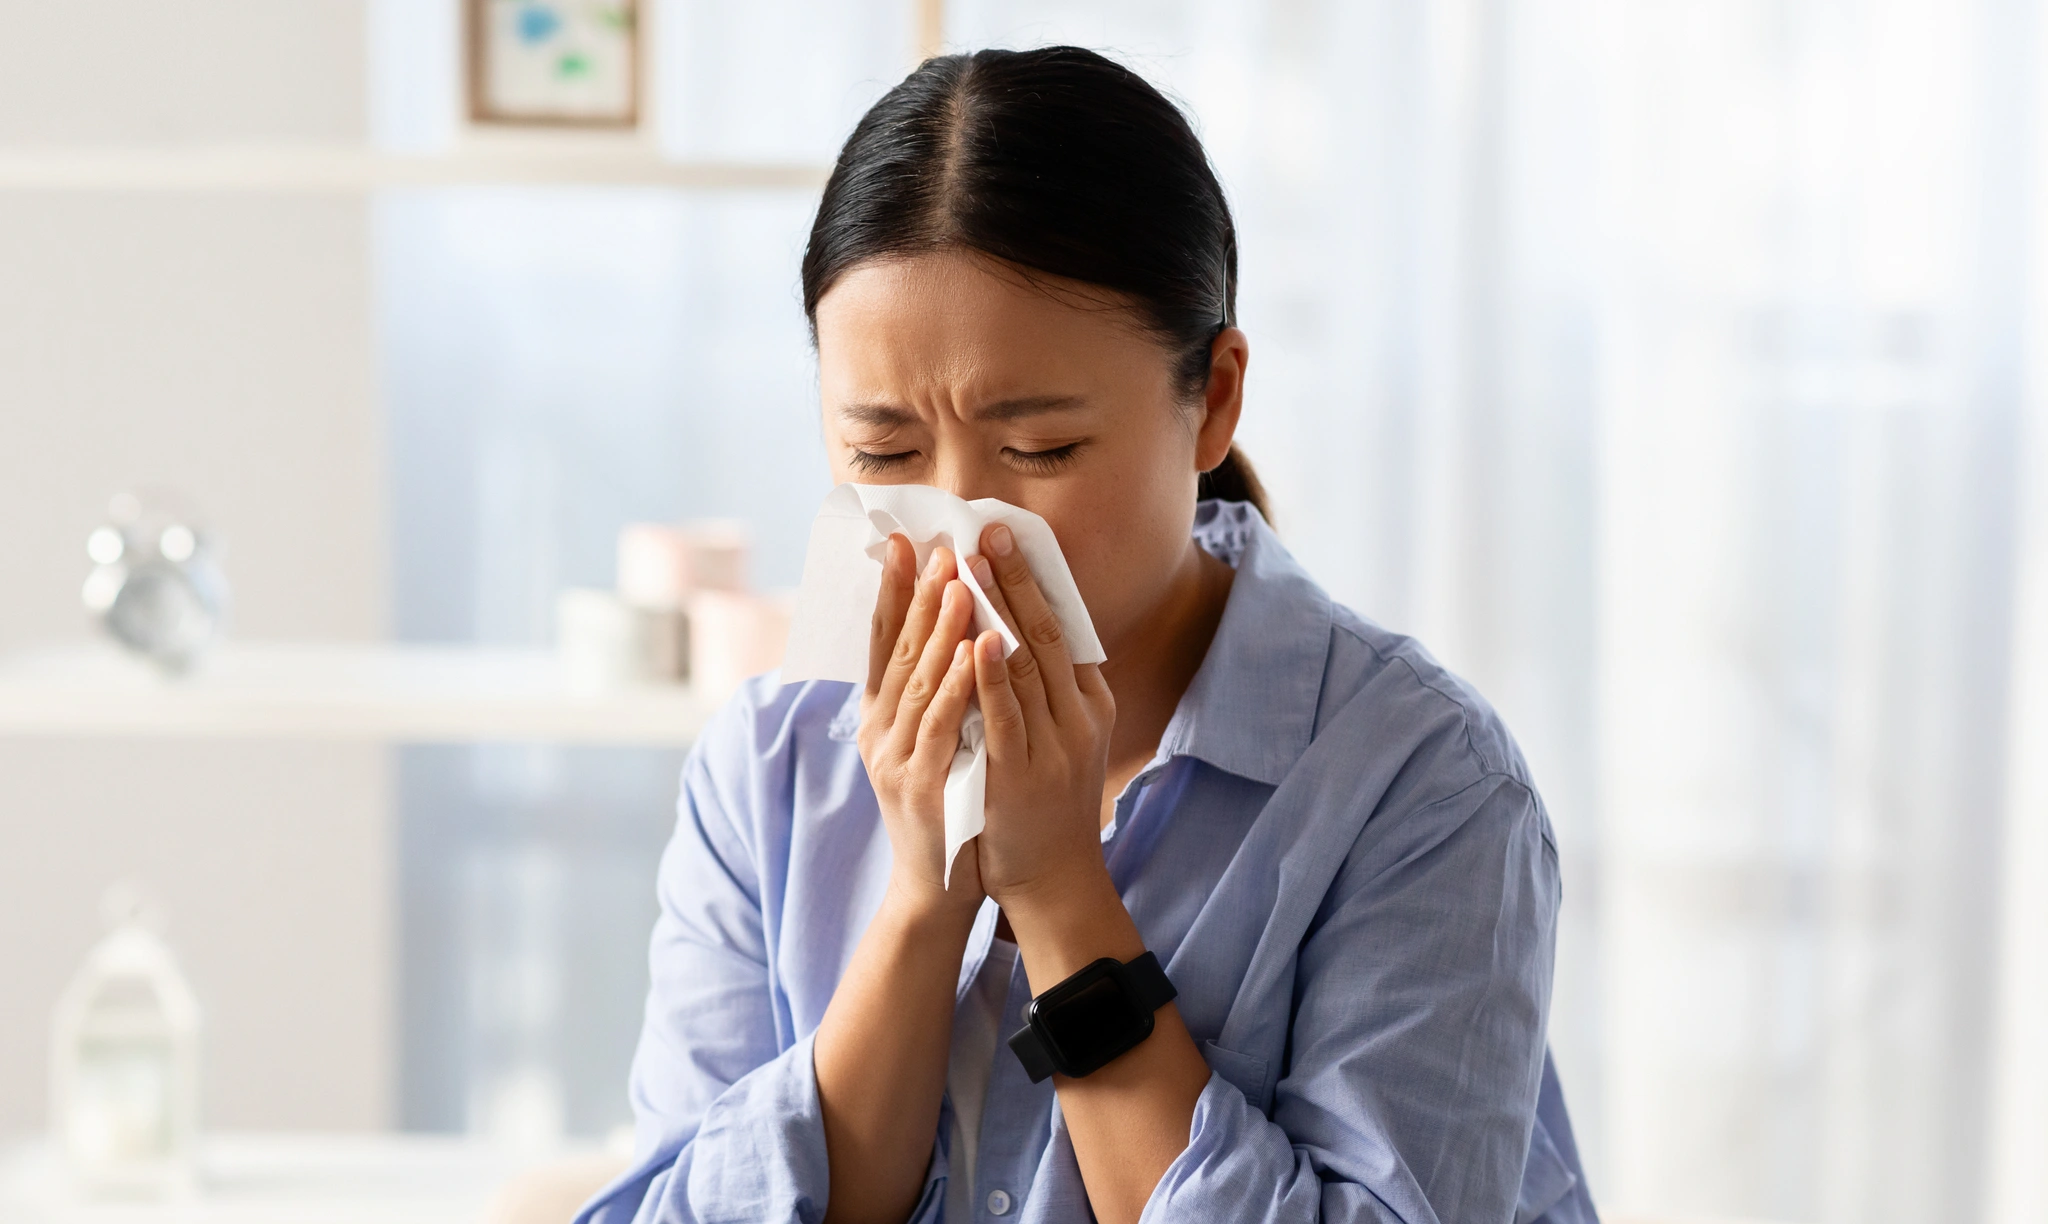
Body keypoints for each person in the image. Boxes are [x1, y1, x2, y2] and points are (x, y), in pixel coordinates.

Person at [579, 45, 1596, 1224]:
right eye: (884, 452)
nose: (965, 527)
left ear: (1213, 399)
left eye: (1041, 450)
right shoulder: (773, 762)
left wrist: (1059, 890)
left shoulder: (1419, 786)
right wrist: (921, 902)